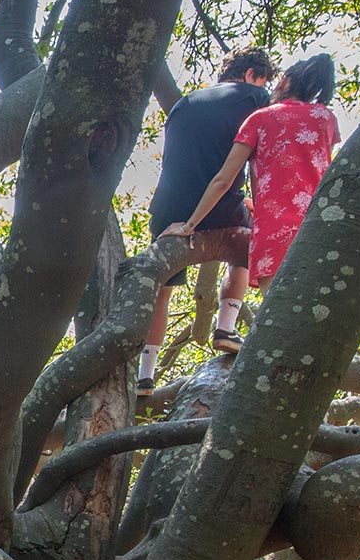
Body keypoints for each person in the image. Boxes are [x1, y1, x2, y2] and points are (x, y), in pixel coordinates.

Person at [139, 46, 275, 399]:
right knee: (247, 245)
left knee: (162, 293)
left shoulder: (185, 102)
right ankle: (225, 329)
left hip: (168, 211)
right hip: (218, 209)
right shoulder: (256, 97)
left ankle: (144, 377)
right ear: (251, 75)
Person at [163, 53, 341, 300]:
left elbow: (223, 180)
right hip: (317, 224)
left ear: (286, 81)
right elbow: (310, 171)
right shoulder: (326, 119)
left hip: (275, 229)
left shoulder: (259, 119)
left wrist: (188, 226)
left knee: (277, 310)